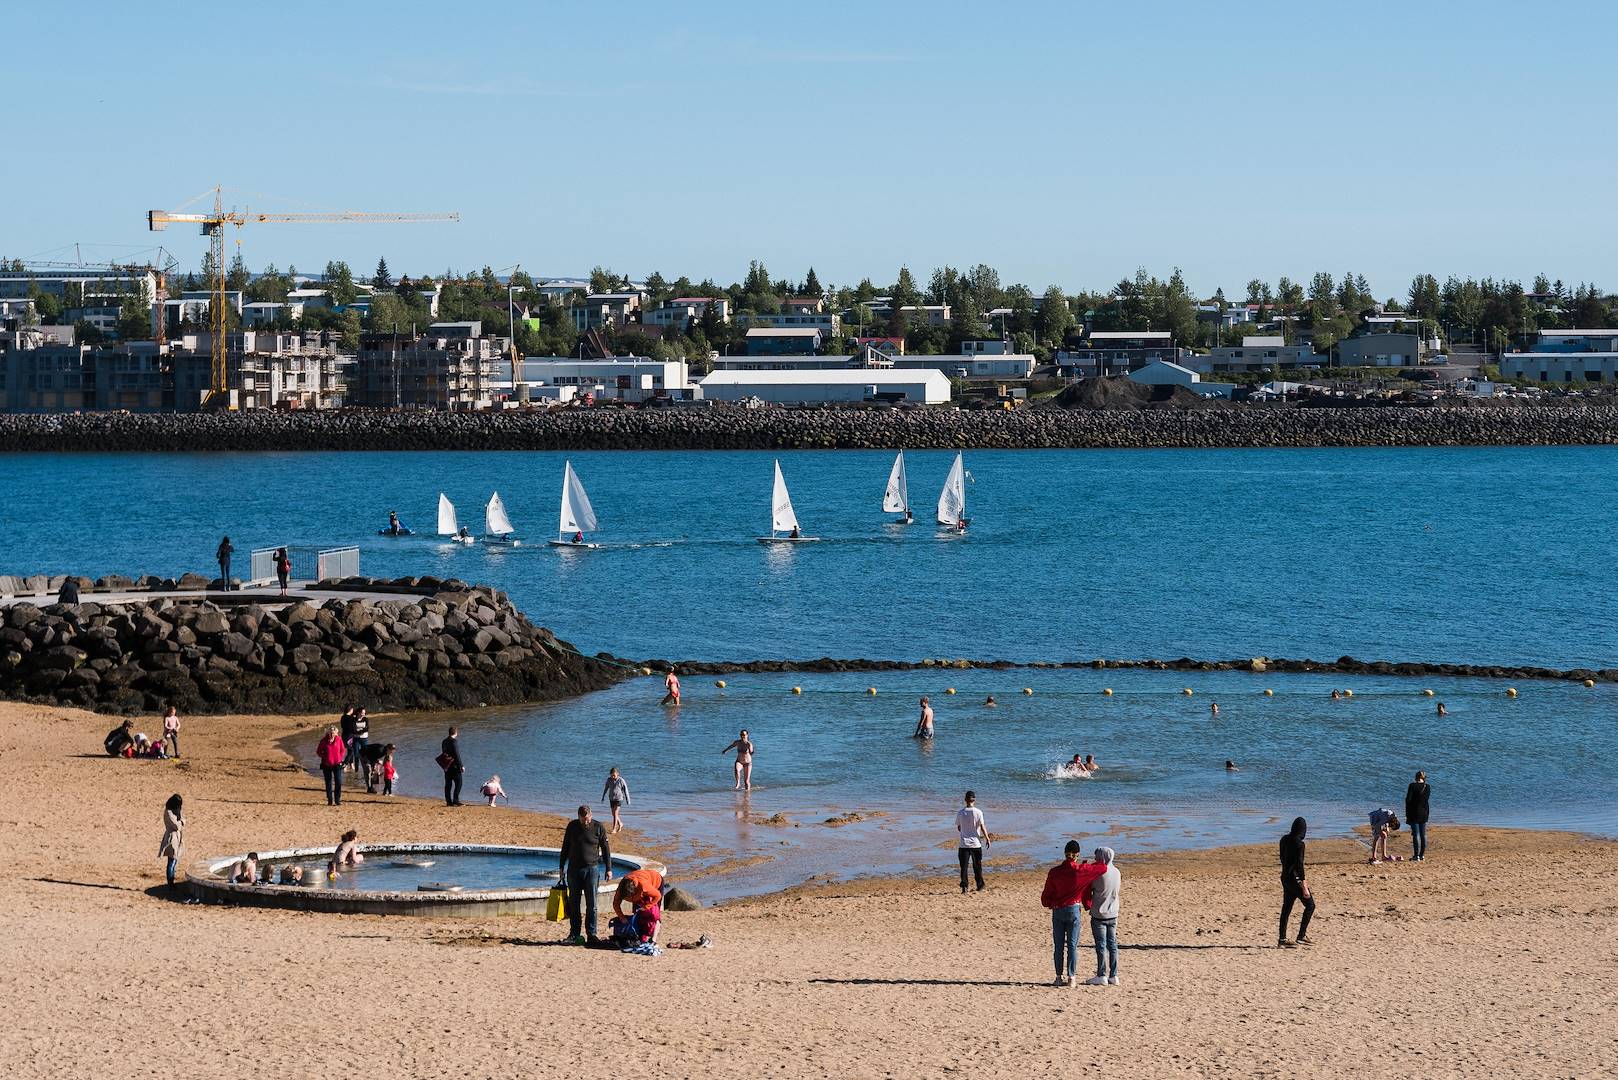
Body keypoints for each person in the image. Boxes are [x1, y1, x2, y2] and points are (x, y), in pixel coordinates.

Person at [1040, 840, 1107, 987]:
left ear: (1065, 854)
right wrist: (1086, 864)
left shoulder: (1054, 872)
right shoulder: (1081, 871)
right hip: (1073, 910)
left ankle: (1058, 977)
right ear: (1077, 855)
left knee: (1058, 945)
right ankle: (1071, 977)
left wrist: (1051, 904)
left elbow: (1045, 898)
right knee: (1072, 945)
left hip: (1058, 910)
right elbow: (1102, 868)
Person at [558, 805, 613, 944]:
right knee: (574, 904)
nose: (585, 822)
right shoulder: (572, 826)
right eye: (583, 819)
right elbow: (565, 847)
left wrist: (609, 868)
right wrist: (561, 867)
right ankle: (574, 934)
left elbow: (606, 849)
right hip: (574, 870)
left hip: (592, 870)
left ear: (591, 815)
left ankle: (592, 934)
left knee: (592, 904)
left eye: (587, 819)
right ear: (578, 816)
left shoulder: (598, 827)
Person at [1083, 846, 1121, 986]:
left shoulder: (1099, 874)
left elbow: (1089, 888)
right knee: (1113, 945)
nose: (1096, 860)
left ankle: (1102, 974)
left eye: (1097, 857)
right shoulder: (1117, 872)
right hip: (1113, 912)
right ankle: (1114, 975)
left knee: (1101, 946)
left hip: (1100, 913)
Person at [1278, 817, 1314, 948]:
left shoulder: (1284, 839)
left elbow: (1282, 858)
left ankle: (1282, 939)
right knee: (1310, 905)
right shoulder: (1299, 844)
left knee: (1286, 909)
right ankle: (1301, 935)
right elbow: (1300, 866)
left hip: (1285, 877)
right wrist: (1304, 886)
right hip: (1295, 880)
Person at [612, 866, 664, 944]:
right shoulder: (621, 889)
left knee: (654, 914)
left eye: (630, 897)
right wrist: (621, 917)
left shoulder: (644, 886)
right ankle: (641, 936)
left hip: (656, 881)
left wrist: (646, 906)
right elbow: (616, 904)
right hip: (640, 885)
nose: (629, 899)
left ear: (634, 892)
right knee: (637, 914)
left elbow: (658, 896)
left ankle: (653, 939)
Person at [955, 790, 990, 894]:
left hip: (964, 844)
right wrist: (987, 838)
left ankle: (964, 887)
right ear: (974, 800)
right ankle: (980, 885)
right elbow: (982, 827)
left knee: (964, 867)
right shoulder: (978, 812)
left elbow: (959, 828)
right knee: (977, 865)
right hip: (976, 843)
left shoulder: (961, 813)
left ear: (965, 800)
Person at [316, 725, 345, 807]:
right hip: (326, 764)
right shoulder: (323, 741)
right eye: (331, 732)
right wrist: (324, 757)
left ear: (336, 733)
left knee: (338, 782)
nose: (332, 733)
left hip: (337, 764)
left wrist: (340, 757)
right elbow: (318, 751)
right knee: (328, 783)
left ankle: (337, 800)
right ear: (328, 732)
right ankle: (330, 800)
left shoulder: (339, 739)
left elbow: (343, 750)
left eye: (334, 732)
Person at [158, 793, 184, 887]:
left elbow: (182, 820)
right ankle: (170, 883)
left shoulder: (174, 811)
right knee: (171, 861)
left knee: (174, 860)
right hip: (172, 838)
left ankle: (171, 881)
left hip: (177, 837)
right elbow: (177, 825)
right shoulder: (168, 812)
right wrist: (181, 821)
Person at [1405, 770, 1431, 861]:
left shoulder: (1412, 786)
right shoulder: (1427, 787)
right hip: (1424, 812)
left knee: (1415, 835)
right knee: (1423, 835)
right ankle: (1422, 855)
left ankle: (1416, 856)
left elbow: (1408, 800)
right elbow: (1425, 799)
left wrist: (1407, 813)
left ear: (1416, 777)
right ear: (1424, 777)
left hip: (1414, 812)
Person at [440, 726, 465, 806]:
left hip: (447, 765)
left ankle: (448, 801)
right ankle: (455, 800)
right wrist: (461, 766)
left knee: (448, 784)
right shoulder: (454, 741)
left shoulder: (444, 741)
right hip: (454, 766)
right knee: (459, 783)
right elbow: (457, 754)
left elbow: (444, 753)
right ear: (456, 733)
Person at [602, 767, 631, 834]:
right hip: (611, 799)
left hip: (619, 799)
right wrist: (603, 796)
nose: (613, 777)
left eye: (614, 775)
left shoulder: (621, 780)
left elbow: (625, 790)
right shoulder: (609, 780)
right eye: (611, 775)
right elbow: (606, 788)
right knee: (613, 814)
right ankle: (620, 823)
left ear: (617, 774)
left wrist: (628, 800)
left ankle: (614, 829)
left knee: (615, 813)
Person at [350, 708, 371, 777]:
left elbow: (367, 728)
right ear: (359, 713)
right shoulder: (354, 720)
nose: (363, 714)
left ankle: (366, 769)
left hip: (364, 738)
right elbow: (353, 730)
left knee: (365, 753)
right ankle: (356, 770)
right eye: (362, 713)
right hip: (356, 738)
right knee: (356, 753)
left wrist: (360, 731)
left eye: (364, 713)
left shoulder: (366, 719)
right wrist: (361, 731)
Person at [340, 706, 360, 773]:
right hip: (350, 736)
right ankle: (345, 764)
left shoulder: (343, 717)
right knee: (352, 750)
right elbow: (353, 728)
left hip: (344, 735)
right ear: (351, 710)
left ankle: (351, 764)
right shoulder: (351, 718)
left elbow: (342, 726)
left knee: (349, 749)